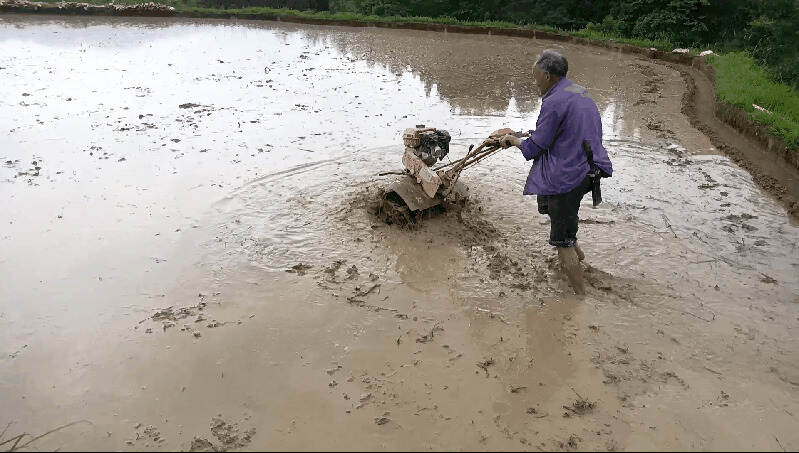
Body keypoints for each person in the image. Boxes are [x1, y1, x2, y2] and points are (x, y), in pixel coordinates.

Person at [494, 49, 613, 295]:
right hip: (589, 167)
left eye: (535, 75)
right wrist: (529, 134)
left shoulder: (553, 102)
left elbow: (535, 147)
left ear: (547, 75)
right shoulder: (580, 92)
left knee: (562, 241)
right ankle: (581, 266)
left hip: (568, 175)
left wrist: (512, 140)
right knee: (565, 224)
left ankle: (578, 298)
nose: (534, 80)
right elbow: (568, 131)